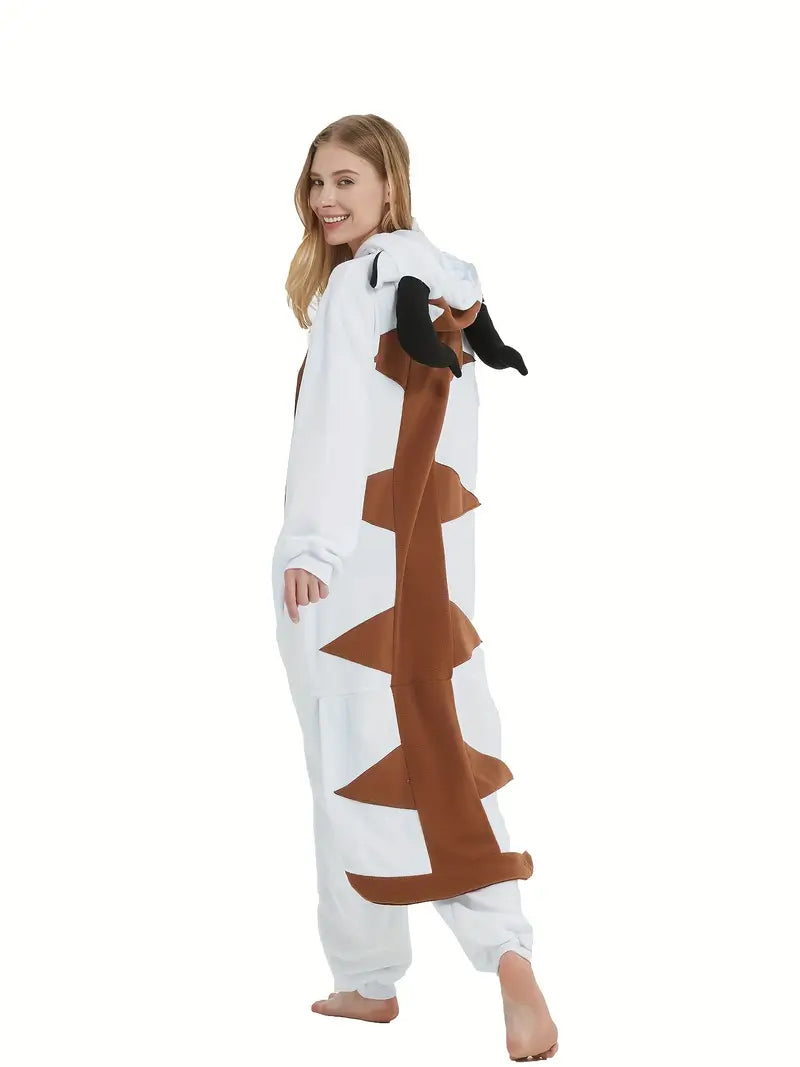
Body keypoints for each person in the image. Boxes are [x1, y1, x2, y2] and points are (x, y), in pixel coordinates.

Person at [272, 114, 559, 1062]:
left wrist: (312, 547)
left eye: (345, 181)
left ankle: (372, 978)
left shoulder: (360, 287)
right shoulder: (442, 293)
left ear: (389, 185)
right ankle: (498, 953)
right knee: (441, 750)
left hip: (350, 580)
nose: (326, 201)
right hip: (429, 586)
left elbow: (334, 425)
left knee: (350, 769)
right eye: (317, 183)